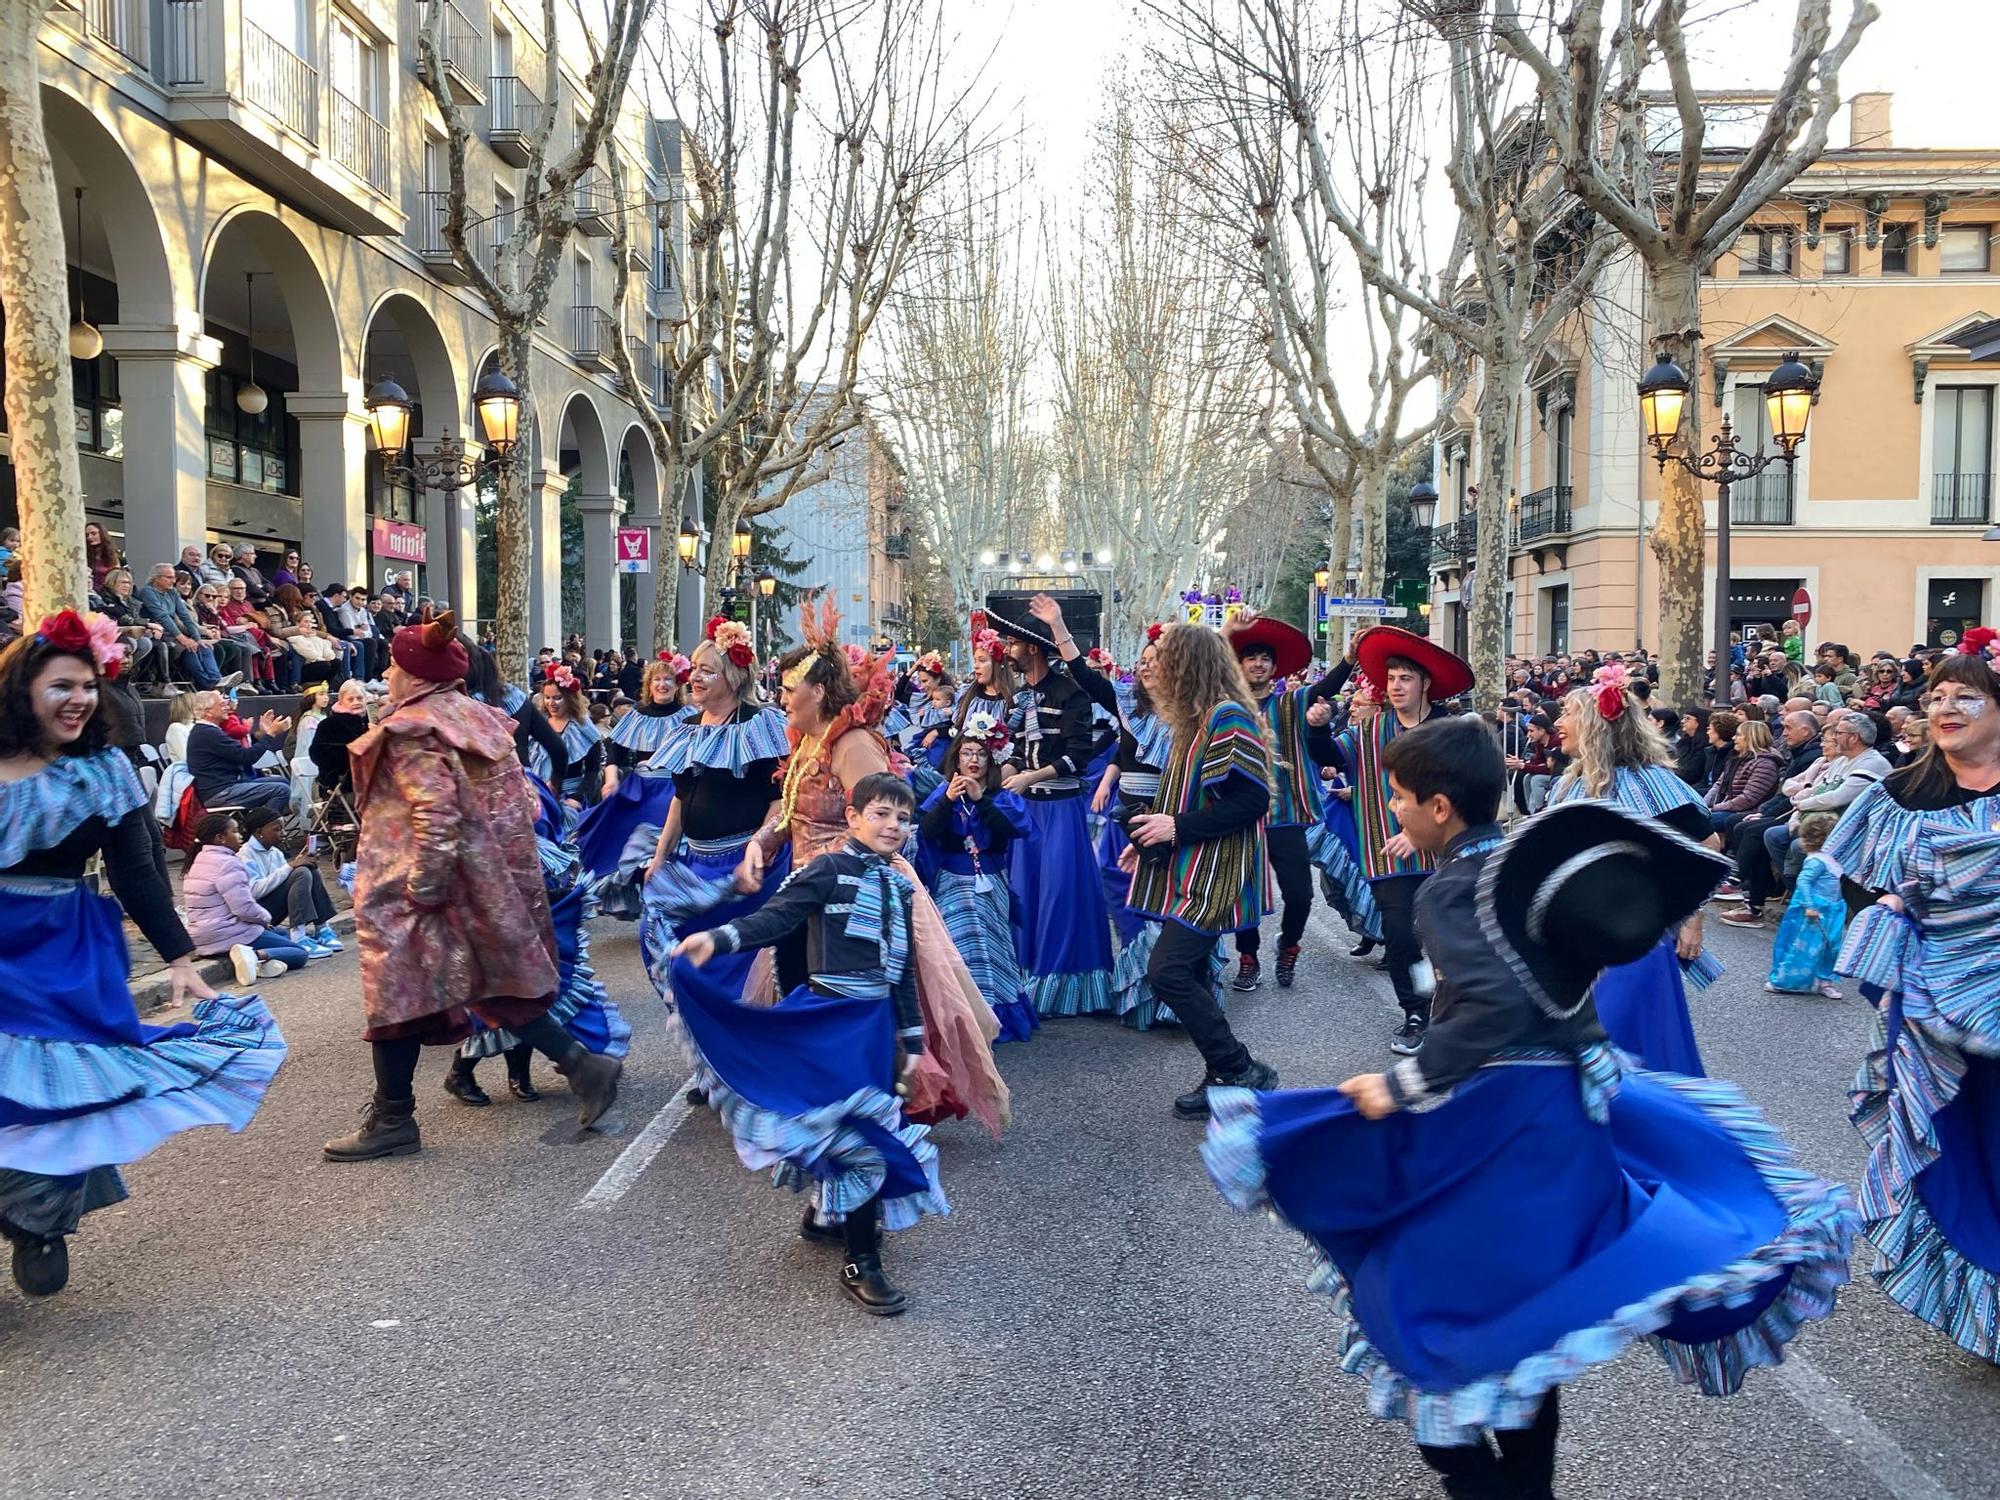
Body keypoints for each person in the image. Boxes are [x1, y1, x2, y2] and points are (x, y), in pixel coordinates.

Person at [1201, 729, 1856, 1496]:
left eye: (1405, 801)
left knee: (1415, 1297)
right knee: (1524, 1311)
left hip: (1502, 1122)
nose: (1399, 813)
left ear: (1438, 807)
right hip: (1566, 1113)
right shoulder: (1504, 868)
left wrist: (1406, 1084)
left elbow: (1493, 1004)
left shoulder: (1451, 892)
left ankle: (1481, 1482)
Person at [0, 610, 286, 1297]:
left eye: (88, 686)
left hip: (62, 950)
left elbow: (136, 870)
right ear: (18, 692)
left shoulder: (106, 773)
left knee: (67, 1089)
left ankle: (39, 1216)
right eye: (62, 686)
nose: (79, 699)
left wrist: (181, 956)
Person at [323, 611, 621, 1162]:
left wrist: (423, 889)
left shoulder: (415, 728)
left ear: (415, 674)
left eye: (392, 664)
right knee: (490, 984)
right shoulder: (474, 718)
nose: (386, 673)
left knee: (398, 998)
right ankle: (584, 1065)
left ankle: (393, 1119)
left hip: (416, 890)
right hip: (480, 881)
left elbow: (437, 815)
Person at [673, 773, 950, 1316]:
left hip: (872, 1029)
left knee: (853, 1128)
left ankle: (827, 1215)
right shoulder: (826, 868)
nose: (892, 826)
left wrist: (912, 1036)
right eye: (880, 814)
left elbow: (902, 970)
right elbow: (777, 918)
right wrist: (718, 938)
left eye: (902, 817)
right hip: (829, 1021)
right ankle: (861, 1264)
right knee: (863, 1140)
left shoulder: (899, 885)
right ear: (853, 818)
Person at [740, 604, 1008, 1135]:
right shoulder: (810, 741)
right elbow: (791, 810)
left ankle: (872, 1101)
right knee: (803, 988)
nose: (780, 698)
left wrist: (838, 880)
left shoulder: (852, 743)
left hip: (853, 896)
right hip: (811, 889)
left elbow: (881, 825)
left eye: (788, 689)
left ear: (816, 691)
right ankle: (824, 1094)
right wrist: (761, 842)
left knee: (858, 998)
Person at [1823, 648, 2000, 1364]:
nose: (1946, 709)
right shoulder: (1899, 794)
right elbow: (1855, 884)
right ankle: (1987, 1309)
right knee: (1956, 1154)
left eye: (1967, 697)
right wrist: (1894, 905)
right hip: (1932, 1016)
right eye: (1935, 697)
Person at [1121, 621, 1280, 1119]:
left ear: (1187, 665)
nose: (1154, 667)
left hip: (1216, 871)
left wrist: (1176, 829)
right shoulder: (1195, 720)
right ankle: (1229, 1069)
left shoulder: (1228, 717)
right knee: (1175, 969)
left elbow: (1252, 800)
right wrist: (1151, 840)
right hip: (1194, 865)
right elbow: (1185, 798)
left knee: (1167, 970)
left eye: (1164, 658)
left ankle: (1238, 1067)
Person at [1546, 663, 1719, 1076]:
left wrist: (1693, 920)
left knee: (1623, 1054)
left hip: (1633, 942)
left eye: (1569, 713)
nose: (1560, 722)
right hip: (1573, 944)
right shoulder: (1568, 783)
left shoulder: (1653, 783)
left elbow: (1707, 848)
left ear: (1595, 725)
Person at [636, 622, 794, 1047]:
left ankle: (729, 1052)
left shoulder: (761, 723)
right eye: (695, 669)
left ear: (734, 676)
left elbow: (779, 798)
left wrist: (758, 846)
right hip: (694, 861)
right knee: (657, 933)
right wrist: (660, 857)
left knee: (729, 962)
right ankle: (702, 1029)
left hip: (743, 865)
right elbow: (679, 800)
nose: (695, 678)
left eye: (708, 670)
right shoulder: (687, 726)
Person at [1324, 625, 1474, 1056]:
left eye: (1405, 678)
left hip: (1448, 853)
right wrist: (1316, 730)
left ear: (1425, 683)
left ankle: (1453, 1010)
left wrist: (1420, 831)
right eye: (1390, 679)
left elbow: (1467, 789)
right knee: (1400, 935)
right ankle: (1415, 1014)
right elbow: (1330, 756)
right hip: (1387, 852)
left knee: (1446, 936)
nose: (1395, 686)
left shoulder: (1451, 730)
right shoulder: (1371, 730)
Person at [445, 774, 632, 1108]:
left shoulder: (522, 779)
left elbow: (547, 816)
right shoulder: (460, 781)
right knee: (497, 993)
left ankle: (520, 1072)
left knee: (533, 987)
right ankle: (461, 1071)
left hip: (531, 884)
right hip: (490, 893)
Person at [986, 599, 1115, 1018]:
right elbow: (1012, 747)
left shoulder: (1073, 695)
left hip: (1060, 810)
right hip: (1026, 811)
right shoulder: (1020, 696)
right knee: (1025, 894)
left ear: (1033, 649)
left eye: (1012, 642)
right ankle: (1025, 979)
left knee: (1060, 894)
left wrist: (1030, 777)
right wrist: (1004, 768)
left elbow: (1080, 757)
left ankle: (1065, 985)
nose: (1006, 649)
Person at [1221, 612, 1340, 991]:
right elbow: (1204, 667)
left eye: (1265, 659)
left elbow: (1331, 686)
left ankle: (1288, 947)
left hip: (1286, 814)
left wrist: (1351, 659)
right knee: (1246, 895)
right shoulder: (1226, 705)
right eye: (1251, 657)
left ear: (1274, 668)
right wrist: (1227, 632)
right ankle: (1248, 957)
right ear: (1239, 664)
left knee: (1301, 895)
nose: (1258, 664)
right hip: (1241, 816)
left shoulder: (1293, 703)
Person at [1716, 710, 1889, 928]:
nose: (1834, 737)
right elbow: (1812, 788)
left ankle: (1809, 900)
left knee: (1795, 845)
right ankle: (1796, 897)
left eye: (1839, 733)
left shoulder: (1872, 763)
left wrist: (1802, 802)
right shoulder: (1841, 761)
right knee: (1771, 834)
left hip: (1851, 830)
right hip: (1819, 820)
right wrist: (1805, 796)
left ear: (1854, 737)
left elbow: (1836, 797)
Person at [918, 732, 1037, 1042]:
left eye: (981, 754)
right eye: (967, 753)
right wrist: (947, 801)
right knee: (957, 948)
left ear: (991, 760)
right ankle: (961, 1018)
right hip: (952, 882)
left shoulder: (1002, 797)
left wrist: (979, 800)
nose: (973, 760)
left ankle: (998, 1016)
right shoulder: (943, 793)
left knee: (993, 945)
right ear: (956, 758)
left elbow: (1011, 830)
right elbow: (927, 832)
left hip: (991, 881)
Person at [576, 653, 689, 885]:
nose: (662, 684)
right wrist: (611, 780)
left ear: (678, 684)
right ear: (648, 685)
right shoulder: (637, 714)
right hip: (642, 789)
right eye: (656, 679)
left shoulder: (690, 716)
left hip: (676, 787)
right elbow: (614, 751)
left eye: (668, 679)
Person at [181, 813, 316, 982]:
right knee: (300, 952)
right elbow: (243, 908)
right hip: (230, 934)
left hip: (204, 939)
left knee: (285, 935)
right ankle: (255, 956)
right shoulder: (228, 864)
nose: (240, 836)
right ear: (220, 838)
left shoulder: (197, 861)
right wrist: (265, 920)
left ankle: (262, 962)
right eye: (235, 831)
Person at [237, 805, 342, 957]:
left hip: (274, 907)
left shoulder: (275, 852)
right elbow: (254, 892)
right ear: (259, 832)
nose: (283, 833)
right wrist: (289, 866)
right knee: (300, 872)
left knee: (309, 868)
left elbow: (285, 878)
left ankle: (322, 928)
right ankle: (298, 936)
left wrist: (300, 862)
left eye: (283, 828)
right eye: (277, 829)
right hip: (259, 913)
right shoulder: (244, 855)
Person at [1763, 811, 1844, 999]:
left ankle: (1825, 980)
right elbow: (1804, 881)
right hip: (1816, 910)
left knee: (1830, 946)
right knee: (1802, 946)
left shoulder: (1832, 858)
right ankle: (1784, 980)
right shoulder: (1816, 861)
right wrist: (1810, 905)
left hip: (1833, 908)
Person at [185, 689, 292, 817]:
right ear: (208, 712)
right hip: (219, 792)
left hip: (228, 785)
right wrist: (271, 734)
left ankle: (261, 823)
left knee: (282, 781)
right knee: (281, 790)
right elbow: (246, 757)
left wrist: (262, 735)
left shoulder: (208, 731)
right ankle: (260, 829)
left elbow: (237, 752)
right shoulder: (208, 733)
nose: (228, 707)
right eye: (222, 704)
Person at [136, 563, 229, 689]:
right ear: (156, 578)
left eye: (173, 577)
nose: (173, 580)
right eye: (169, 577)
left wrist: (197, 638)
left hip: (174, 633)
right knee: (189, 649)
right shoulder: (148, 592)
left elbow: (185, 617)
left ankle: (216, 680)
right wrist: (184, 639)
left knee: (204, 647)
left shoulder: (173, 592)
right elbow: (163, 617)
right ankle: (208, 684)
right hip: (158, 632)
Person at [527, 662, 602, 808]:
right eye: (547, 698)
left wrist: (578, 797)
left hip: (570, 800)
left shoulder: (583, 726)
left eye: (557, 698)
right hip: (538, 797)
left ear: (569, 698)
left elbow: (593, 769)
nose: (551, 703)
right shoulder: (538, 723)